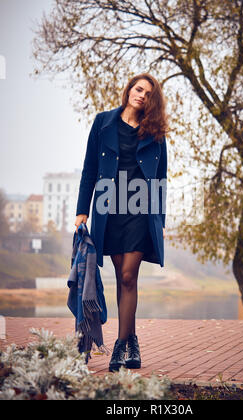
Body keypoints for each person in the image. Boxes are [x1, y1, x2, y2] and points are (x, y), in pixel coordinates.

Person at [74, 73, 168, 372]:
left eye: (147, 94)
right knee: (120, 276)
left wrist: (160, 218)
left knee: (129, 276)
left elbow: (162, 177)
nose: (141, 95)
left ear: (152, 101)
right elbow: (90, 168)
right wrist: (82, 210)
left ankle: (119, 344)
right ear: (129, 90)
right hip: (109, 209)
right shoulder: (103, 123)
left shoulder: (155, 132)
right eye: (138, 89)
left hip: (141, 208)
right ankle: (132, 340)